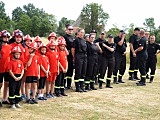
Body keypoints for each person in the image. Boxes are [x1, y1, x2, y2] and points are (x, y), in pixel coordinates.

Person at [71, 28, 87, 92]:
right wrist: (74, 57)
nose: (82, 34)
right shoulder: (76, 40)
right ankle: (77, 87)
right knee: (78, 72)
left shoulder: (83, 40)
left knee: (83, 72)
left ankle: (81, 86)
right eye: (81, 32)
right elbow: (73, 49)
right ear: (78, 33)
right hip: (78, 56)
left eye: (83, 33)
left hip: (84, 56)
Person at [0, 30, 12, 106]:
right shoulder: (0, 46)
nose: (6, 38)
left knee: (7, 83)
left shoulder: (10, 47)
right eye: (4, 37)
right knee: (0, 84)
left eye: (7, 37)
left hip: (8, 68)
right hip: (0, 67)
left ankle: (4, 98)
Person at [21, 34, 32, 100]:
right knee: (23, 81)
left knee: (27, 82)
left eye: (29, 41)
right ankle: (23, 93)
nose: (28, 42)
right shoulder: (23, 48)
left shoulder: (31, 49)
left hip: (29, 67)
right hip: (24, 67)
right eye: (27, 41)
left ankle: (27, 93)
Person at [63, 24, 74, 89]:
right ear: (66, 30)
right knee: (65, 71)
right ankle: (63, 84)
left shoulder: (72, 37)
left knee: (70, 70)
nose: (70, 31)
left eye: (71, 29)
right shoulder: (64, 37)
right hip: (66, 55)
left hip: (71, 56)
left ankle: (69, 85)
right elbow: (62, 45)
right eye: (69, 29)